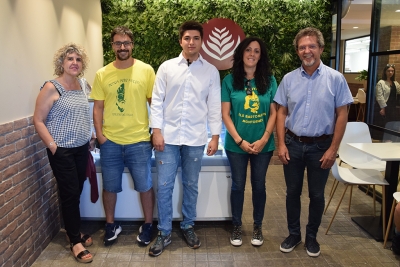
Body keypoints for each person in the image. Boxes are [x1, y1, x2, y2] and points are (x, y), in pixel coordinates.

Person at [273, 27, 353, 257]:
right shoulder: (288, 79)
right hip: (293, 144)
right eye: (302, 47)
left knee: (317, 195)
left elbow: (342, 114)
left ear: (320, 48)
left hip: (321, 147)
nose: (306, 51)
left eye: (311, 46)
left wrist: (333, 149)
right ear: (298, 51)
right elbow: (281, 113)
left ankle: (311, 237)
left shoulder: (335, 79)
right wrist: (281, 144)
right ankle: (294, 234)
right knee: (292, 193)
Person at [149, 20, 222, 257]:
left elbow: (213, 107)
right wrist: (156, 131)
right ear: (181, 40)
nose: (191, 42)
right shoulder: (167, 67)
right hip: (167, 138)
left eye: (196, 38)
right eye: (187, 38)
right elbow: (157, 101)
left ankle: (188, 225)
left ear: (202, 41)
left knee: (191, 184)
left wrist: (214, 137)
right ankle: (164, 231)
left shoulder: (210, 71)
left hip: (195, 138)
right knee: (164, 185)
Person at [91, 26, 156, 246]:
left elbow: (153, 104)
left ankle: (149, 225)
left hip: (139, 140)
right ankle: (111, 225)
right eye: (118, 43)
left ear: (132, 45)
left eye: (126, 43)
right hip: (111, 142)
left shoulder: (146, 70)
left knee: (145, 185)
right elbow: (98, 108)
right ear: (112, 46)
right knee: (110, 186)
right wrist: (100, 136)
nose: (122, 47)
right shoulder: (102, 73)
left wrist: (156, 132)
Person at [33, 43, 93, 263]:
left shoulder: (84, 85)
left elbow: (85, 113)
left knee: (76, 192)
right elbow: (37, 120)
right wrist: (52, 145)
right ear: (62, 63)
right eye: (70, 59)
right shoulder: (51, 87)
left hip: (81, 149)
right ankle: (75, 241)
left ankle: (72, 230)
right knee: (69, 193)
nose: (74, 63)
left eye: (78, 59)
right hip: (62, 151)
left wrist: (91, 136)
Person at [221, 37, 277, 247]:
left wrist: (264, 139)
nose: (252, 54)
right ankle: (237, 225)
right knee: (237, 186)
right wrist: (239, 140)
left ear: (261, 56)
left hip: (263, 146)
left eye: (257, 51)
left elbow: (274, 112)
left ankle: (257, 226)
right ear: (241, 53)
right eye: (248, 50)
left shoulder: (269, 80)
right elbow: (225, 114)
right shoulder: (229, 81)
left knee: (259, 186)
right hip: (236, 145)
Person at [372, 64, 400, 140]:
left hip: (392, 107)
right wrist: (383, 108)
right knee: (382, 124)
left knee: (391, 124)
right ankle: (381, 139)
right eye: (388, 71)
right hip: (383, 106)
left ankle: (389, 139)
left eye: (392, 71)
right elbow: (379, 96)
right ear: (385, 72)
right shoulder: (381, 82)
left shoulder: (395, 83)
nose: (390, 72)